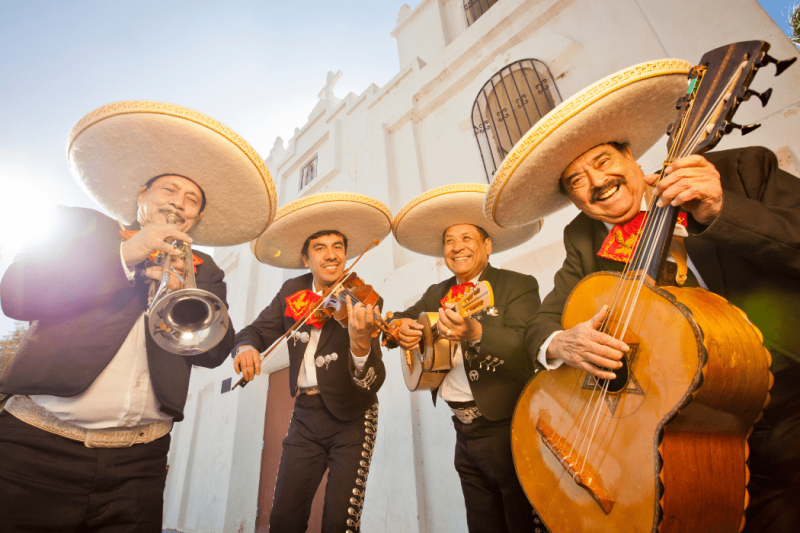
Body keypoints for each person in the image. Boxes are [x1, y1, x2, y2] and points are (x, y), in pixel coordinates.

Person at [486, 60, 800, 532]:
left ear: (631, 155)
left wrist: (722, 210)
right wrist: (562, 343)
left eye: (602, 161)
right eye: (575, 181)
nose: (594, 182)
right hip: (686, 440)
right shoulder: (585, 239)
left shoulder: (739, 171)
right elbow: (540, 324)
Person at [0, 101, 276, 532]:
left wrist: (188, 288)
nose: (179, 204)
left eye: (191, 200)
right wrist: (126, 256)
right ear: (141, 198)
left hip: (140, 464)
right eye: (168, 191)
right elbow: (17, 295)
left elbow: (212, 353)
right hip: (36, 450)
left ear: (197, 217)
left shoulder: (206, 269)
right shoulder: (79, 226)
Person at [386, 184, 547, 533]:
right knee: (482, 523)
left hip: (507, 425)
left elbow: (526, 347)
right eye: (449, 240)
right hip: (462, 427)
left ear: (487, 245)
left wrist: (475, 332)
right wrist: (400, 327)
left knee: (521, 520)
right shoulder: (436, 293)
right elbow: (402, 318)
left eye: (466, 238)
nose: (456, 246)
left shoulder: (518, 285)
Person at [233, 192, 391, 533]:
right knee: (284, 519)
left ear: (346, 255)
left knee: (339, 523)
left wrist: (361, 342)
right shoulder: (292, 290)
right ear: (307, 259)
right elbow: (255, 331)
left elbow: (372, 379)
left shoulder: (362, 298)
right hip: (304, 416)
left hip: (352, 414)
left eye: (338, 247)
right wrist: (245, 347)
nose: (331, 255)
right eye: (320, 247)